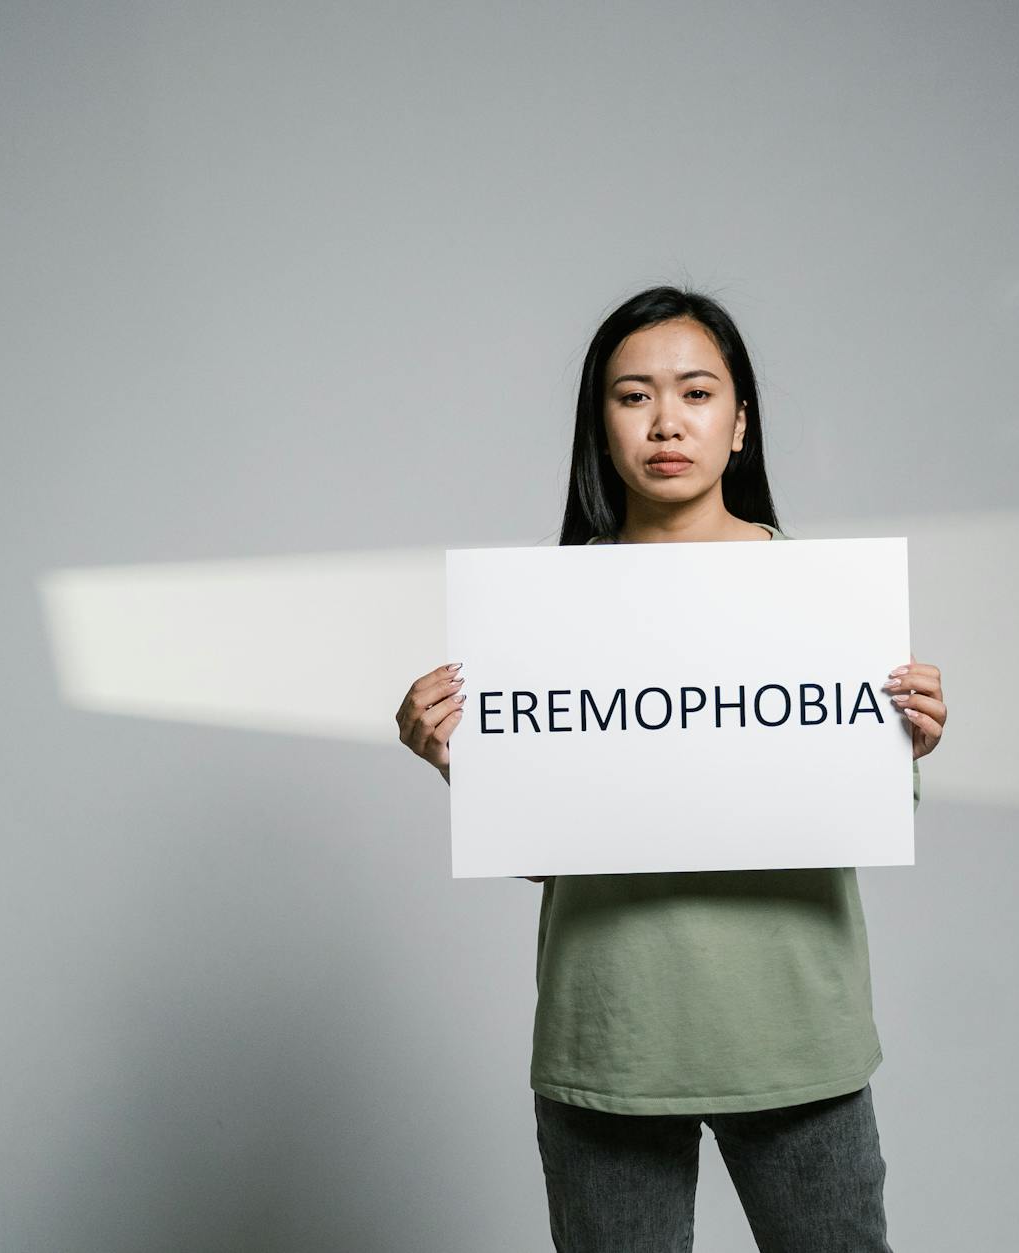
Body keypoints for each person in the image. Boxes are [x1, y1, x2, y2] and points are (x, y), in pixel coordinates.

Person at [394, 286, 949, 1252]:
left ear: (741, 423)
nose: (665, 422)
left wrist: (911, 738)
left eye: (696, 392)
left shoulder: (830, 607)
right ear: (599, 425)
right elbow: (545, 848)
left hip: (794, 1034)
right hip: (613, 1033)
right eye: (631, 396)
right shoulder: (543, 615)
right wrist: (461, 762)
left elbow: (860, 810)